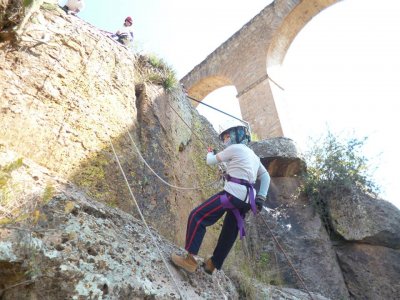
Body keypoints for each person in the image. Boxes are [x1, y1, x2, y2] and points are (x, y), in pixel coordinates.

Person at [171, 119, 271, 274]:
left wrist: (210, 152)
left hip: (231, 195)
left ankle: (190, 260)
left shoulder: (236, 148)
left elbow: (210, 161)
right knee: (230, 231)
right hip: (246, 201)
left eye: (227, 137)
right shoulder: (254, 157)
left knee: (198, 216)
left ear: (236, 135)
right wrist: (261, 198)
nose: (225, 140)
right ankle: (213, 264)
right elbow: (265, 177)